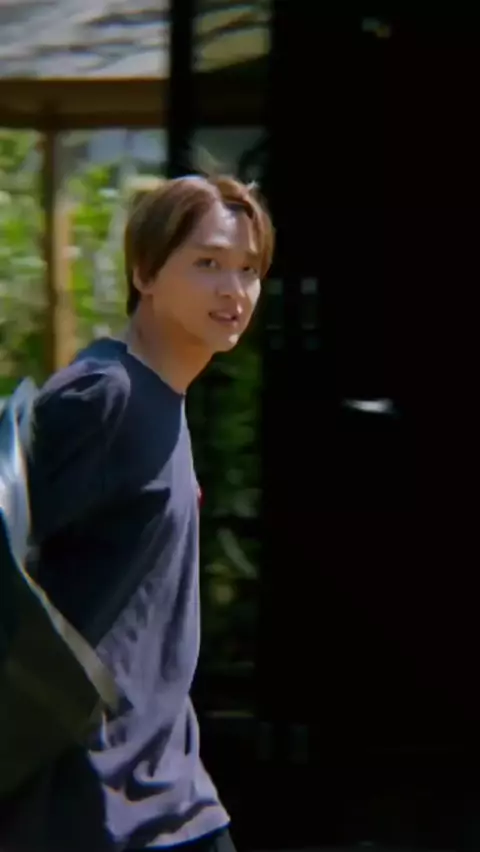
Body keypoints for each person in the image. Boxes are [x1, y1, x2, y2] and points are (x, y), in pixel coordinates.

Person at [1, 175, 274, 851]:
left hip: (167, 792)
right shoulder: (106, 397)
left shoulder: (160, 397)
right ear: (144, 273)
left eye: (248, 269)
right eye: (207, 263)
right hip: (98, 808)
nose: (234, 289)